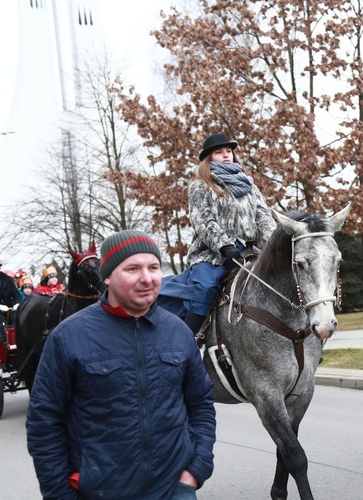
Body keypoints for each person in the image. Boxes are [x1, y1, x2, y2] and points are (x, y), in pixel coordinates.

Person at [27, 229, 216, 499]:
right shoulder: (68, 336)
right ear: (107, 276)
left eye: (154, 267)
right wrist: (60, 494)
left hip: (174, 488)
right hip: (99, 491)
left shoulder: (179, 331)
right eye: (132, 268)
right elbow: (44, 422)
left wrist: (197, 468)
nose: (147, 278)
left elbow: (200, 404)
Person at [158, 133, 276, 334]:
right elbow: (202, 220)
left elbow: (263, 215)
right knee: (205, 288)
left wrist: (274, 242)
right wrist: (225, 246)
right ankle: (190, 340)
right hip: (212, 255)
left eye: (228, 151)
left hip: (250, 250)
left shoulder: (249, 186)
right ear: (209, 158)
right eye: (219, 152)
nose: (226, 155)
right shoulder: (200, 186)